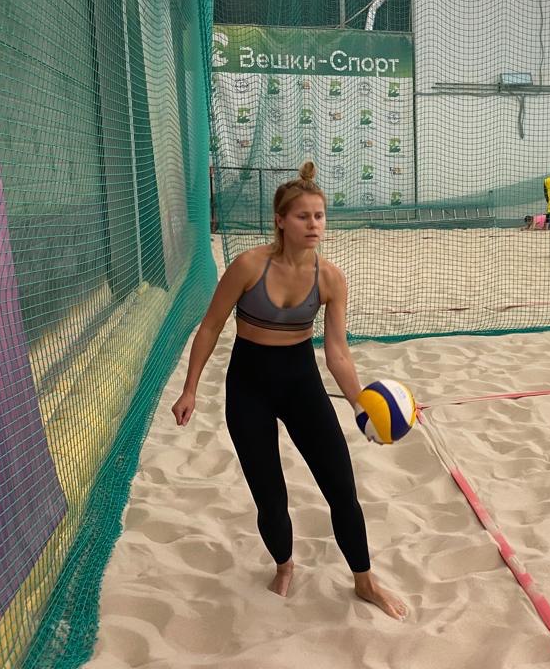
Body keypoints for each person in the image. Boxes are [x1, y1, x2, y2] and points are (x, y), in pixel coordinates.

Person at [171, 160, 407, 621]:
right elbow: (211, 326)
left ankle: (364, 580)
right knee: (270, 494)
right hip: (248, 389)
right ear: (280, 220)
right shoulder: (248, 266)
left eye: (319, 216)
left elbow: (337, 353)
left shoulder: (330, 278)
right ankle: (284, 566)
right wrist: (190, 389)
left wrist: (362, 405)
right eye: (303, 216)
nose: (314, 224)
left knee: (341, 488)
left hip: (302, 386)